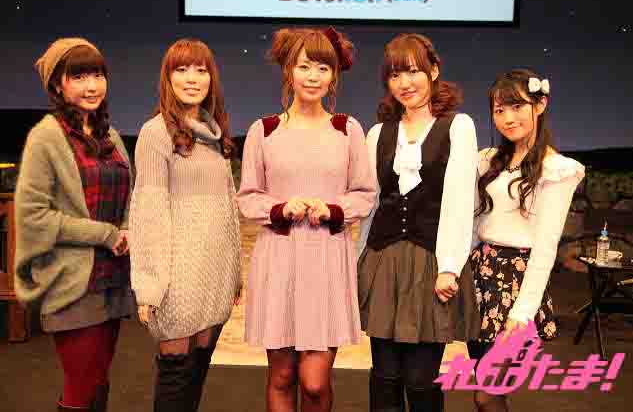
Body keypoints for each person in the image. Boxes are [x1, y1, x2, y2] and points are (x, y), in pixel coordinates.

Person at [236, 27, 376, 412]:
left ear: (334, 76)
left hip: (326, 259)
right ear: (288, 71)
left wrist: (333, 209)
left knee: (314, 383)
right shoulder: (264, 130)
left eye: (322, 68)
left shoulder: (346, 129)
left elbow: (365, 193)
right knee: (281, 376)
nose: (313, 76)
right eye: (304, 67)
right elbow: (248, 196)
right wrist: (281, 209)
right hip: (279, 259)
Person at [357, 33, 481, 412]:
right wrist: (358, 262)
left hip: (431, 261)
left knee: (420, 378)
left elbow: (460, 201)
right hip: (383, 260)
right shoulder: (378, 133)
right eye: (395, 75)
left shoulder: (458, 126)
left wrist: (450, 267)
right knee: (384, 374)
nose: (404, 83)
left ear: (434, 71)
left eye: (412, 72)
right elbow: (371, 205)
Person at [14, 38, 134, 411]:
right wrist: (106, 234)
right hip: (72, 282)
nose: (91, 86)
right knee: (81, 387)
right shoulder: (46, 136)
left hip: (113, 277)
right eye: (79, 77)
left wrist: (128, 228)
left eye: (97, 75)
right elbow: (33, 215)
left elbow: (130, 195)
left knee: (98, 380)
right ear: (57, 85)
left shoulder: (111, 136)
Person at [129, 38, 241, 412]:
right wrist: (149, 284)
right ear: (168, 77)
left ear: (211, 78)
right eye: (182, 69)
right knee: (176, 374)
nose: (192, 78)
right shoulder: (155, 133)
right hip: (177, 274)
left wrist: (234, 272)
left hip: (214, 272)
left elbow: (227, 209)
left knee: (196, 372)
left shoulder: (213, 134)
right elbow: (148, 210)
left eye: (200, 70)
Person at [468, 68, 585, 411]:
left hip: (518, 282)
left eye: (517, 106)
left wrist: (522, 314)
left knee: (487, 392)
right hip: (480, 278)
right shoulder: (488, 161)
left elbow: (546, 246)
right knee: (487, 388)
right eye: (499, 110)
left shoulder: (556, 169)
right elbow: (474, 224)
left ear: (541, 104)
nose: (508, 118)